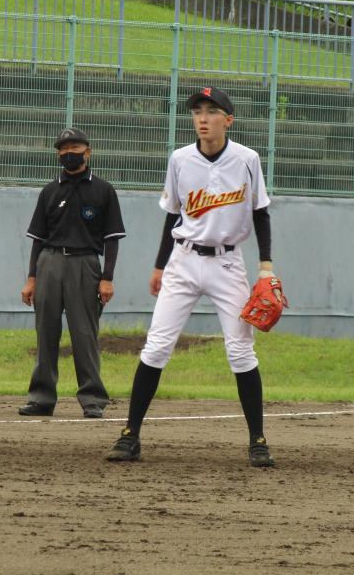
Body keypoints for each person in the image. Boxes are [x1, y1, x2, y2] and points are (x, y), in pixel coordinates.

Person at [106, 86, 277, 467]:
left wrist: (265, 267)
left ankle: (258, 441)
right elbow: (173, 215)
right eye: (198, 111)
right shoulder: (180, 159)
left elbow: (260, 213)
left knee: (240, 351)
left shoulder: (247, 159)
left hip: (227, 263)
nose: (203, 118)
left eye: (212, 111)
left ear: (228, 120)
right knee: (156, 347)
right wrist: (159, 265)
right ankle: (130, 436)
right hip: (182, 260)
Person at [19, 127, 126, 418]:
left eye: (75, 148)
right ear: (58, 155)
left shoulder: (103, 190)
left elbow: (112, 239)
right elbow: (38, 239)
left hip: (85, 264)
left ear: (87, 152)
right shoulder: (49, 190)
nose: (69, 153)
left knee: (84, 334)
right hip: (49, 263)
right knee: (46, 333)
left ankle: (92, 400)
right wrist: (31, 278)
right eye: (63, 149)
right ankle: (41, 399)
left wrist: (107, 278)